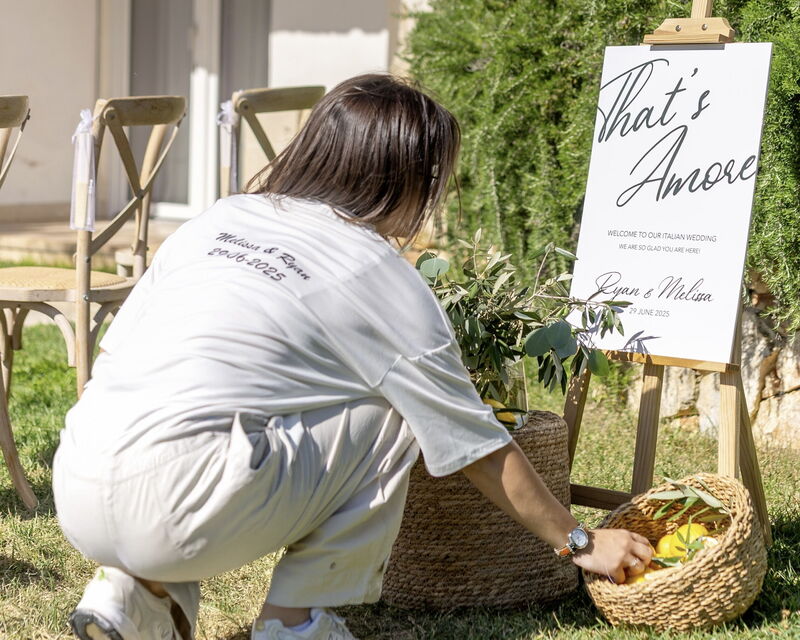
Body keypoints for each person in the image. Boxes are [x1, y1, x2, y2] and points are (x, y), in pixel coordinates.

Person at [53, 74, 652, 640]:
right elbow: (475, 444)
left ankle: (130, 595)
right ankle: (295, 619)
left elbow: (109, 364)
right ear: (404, 179)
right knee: (398, 410)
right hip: (186, 508)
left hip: (78, 482)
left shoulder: (219, 218)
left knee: (195, 414)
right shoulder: (380, 274)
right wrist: (580, 541)